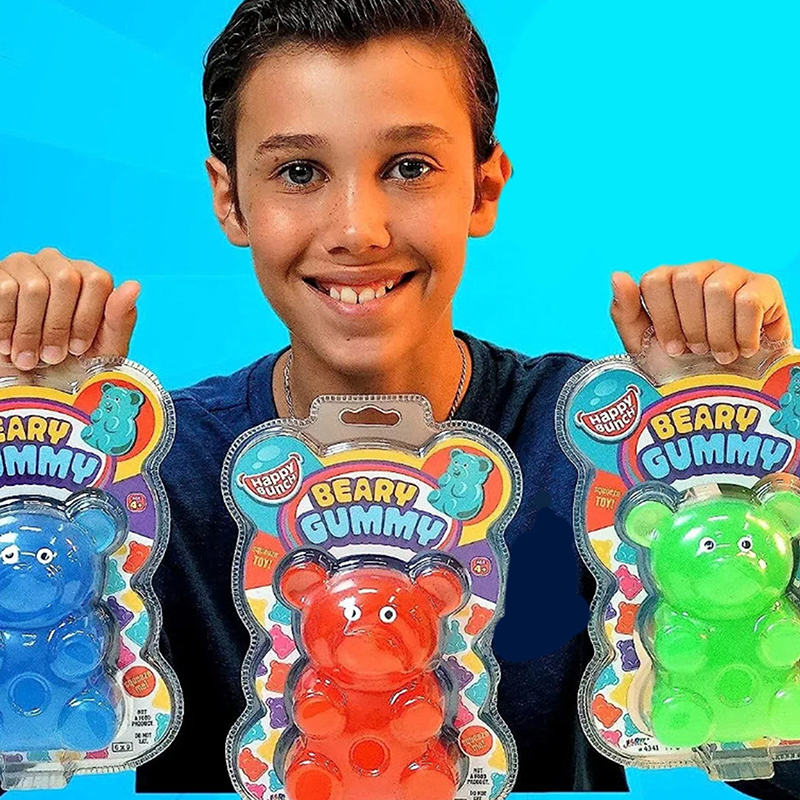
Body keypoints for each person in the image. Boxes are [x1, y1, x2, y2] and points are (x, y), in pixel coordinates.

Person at [1, 0, 796, 796]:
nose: (359, 230)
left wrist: (732, 471)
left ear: (483, 187)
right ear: (230, 199)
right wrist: (22, 442)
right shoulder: (152, 468)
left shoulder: (588, 444)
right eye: (300, 172)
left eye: (410, 167)